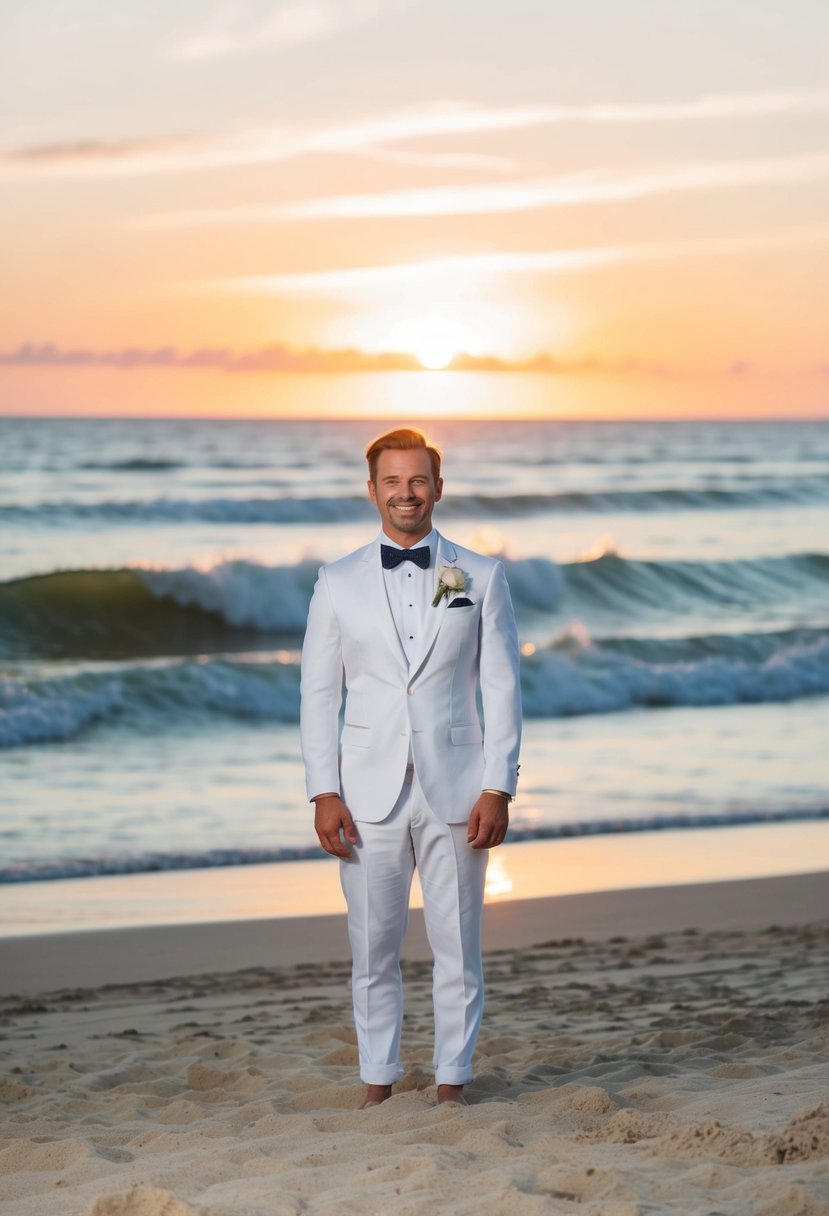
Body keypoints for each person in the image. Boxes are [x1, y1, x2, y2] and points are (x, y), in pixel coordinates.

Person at [299, 426, 522, 1108]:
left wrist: (497, 784)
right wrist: (323, 791)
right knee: (373, 950)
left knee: (457, 949)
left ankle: (451, 1083)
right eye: (392, 482)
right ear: (372, 491)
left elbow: (500, 685)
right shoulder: (336, 583)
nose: (406, 493)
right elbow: (319, 692)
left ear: (437, 488)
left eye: (417, 480)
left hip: (456, 789)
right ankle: (378, 1082)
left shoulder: (470, 576)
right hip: (366, 796)